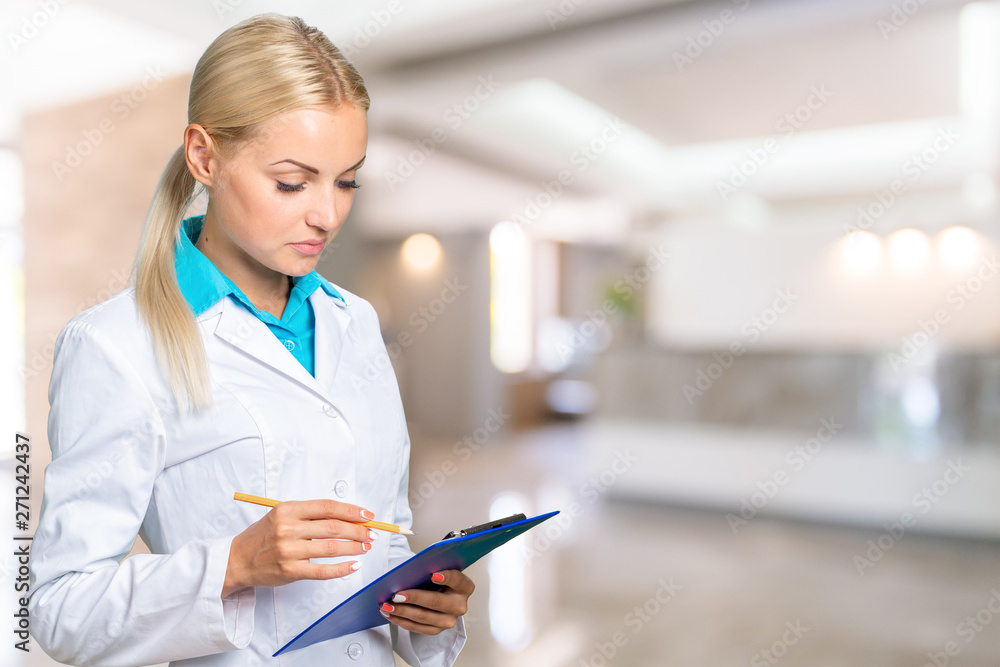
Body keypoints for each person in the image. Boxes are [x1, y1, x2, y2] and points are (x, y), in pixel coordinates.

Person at [28, 12, 473, 666]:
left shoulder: (357, 322)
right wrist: (232, 565)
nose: (328, 214)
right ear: (205, 156)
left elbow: (384, 535)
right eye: (292, 181)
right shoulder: (115, 346)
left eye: (346, 179)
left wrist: (424, 607)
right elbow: (59, 608)